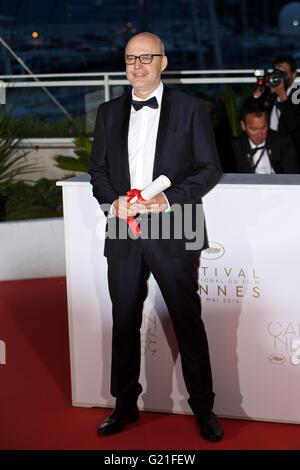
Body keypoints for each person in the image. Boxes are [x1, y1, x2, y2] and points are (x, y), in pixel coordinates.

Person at [89, 32, 224, 442]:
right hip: (123, 225)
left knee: (186, 318)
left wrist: (167, 199)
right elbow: (98, 173)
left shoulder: (191, 109)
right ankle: (124, 405)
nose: (138, 65)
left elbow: (209, 169)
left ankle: (204, 408)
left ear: (163, 62)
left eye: (147, 57)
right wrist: (114, 202)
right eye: (131, 58)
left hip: (174, 222)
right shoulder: (108, 112)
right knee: (124, 319)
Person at [250, 55, 300, 167]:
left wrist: (282, 95)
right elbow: (251, 115)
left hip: (293, 157)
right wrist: (259, 93)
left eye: (284, 73)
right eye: (277, 73)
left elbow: (295, 126)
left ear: (293, 75)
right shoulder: (270, 94)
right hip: (272, 155)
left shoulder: (297, 95)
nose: (280, 77)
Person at [233, 104, 299, 173]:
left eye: (263, 128)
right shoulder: (236, 146)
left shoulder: (283, 141)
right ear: (243, 126)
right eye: (254, 129)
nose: (259, 134)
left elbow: (292, 173)